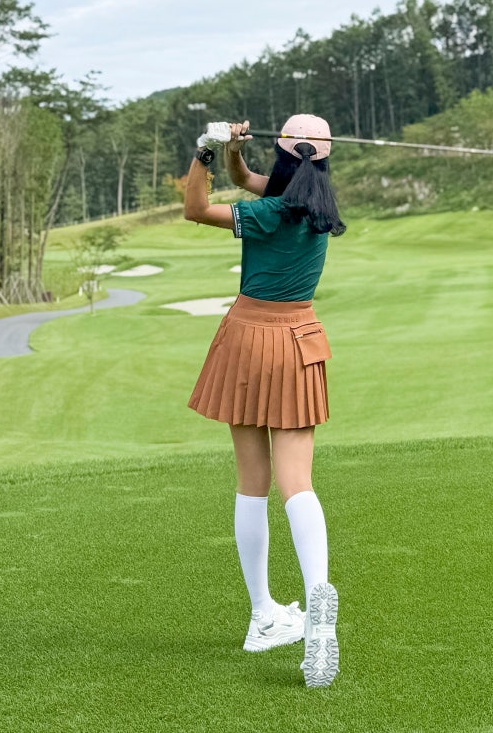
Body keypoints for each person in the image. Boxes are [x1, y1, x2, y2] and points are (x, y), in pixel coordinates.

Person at [183, 114, 345, 689]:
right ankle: (316, 597)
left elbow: (196, 208)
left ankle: (263, 616)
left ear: (282, 154)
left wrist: (204, 150)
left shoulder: (267, 212)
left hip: (248, 340)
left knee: (252, 483)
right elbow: (247, 179)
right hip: (298, 340)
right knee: (297, 481)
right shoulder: (318, 206)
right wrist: (234, 152)